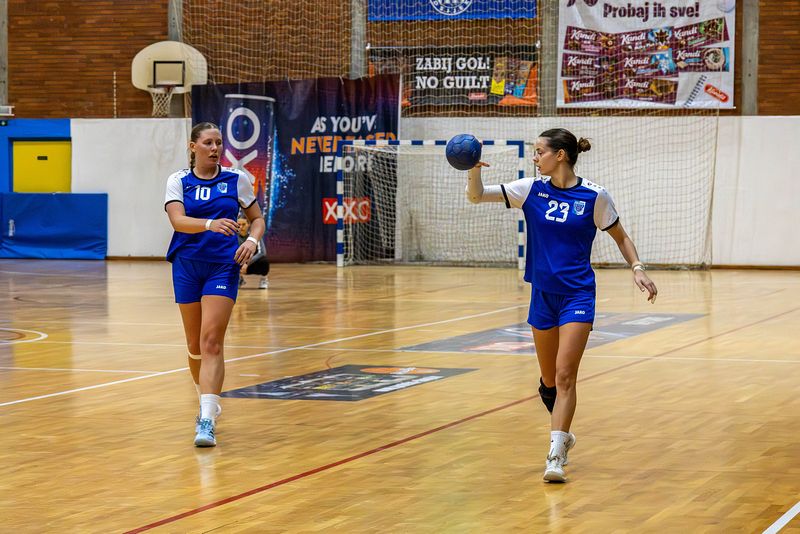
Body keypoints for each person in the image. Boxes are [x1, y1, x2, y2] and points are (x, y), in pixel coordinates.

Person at [465, 128, 657, 482]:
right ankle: (563, 432)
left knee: (566, 374)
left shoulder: (594, 196)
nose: (535, 157)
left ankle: (555, 456)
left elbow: (621, 237)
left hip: (578, 295)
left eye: (540, 151)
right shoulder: (530, 189)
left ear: (560, 155)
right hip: (543, 295)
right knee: (550, 381)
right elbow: (477, 196)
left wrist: (637, 268)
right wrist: (473, 170)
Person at [164, 122, 266, 447]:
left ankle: (207, 419)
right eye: (208, 142)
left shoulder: (236, 179)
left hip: (223, 266)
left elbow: (257, 219)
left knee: (212, 342)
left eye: (219, 142)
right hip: (186, 265)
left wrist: (251, 241)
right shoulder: (179, 180)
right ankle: (205, 402)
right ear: (193, 146)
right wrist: (210, 223)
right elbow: (178, 221)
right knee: (194, 345)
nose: (215, 148)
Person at [237, 217, 270, 289]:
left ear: (248, 224)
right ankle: (239, 278)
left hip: (253, 262)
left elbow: (262, 252)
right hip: (239, 262)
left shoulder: (255, 235)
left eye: (243, 224)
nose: (241, 227)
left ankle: (264, 279)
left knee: (264, 261)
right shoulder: (233, 236)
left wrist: (246, 263)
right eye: (239, 225)